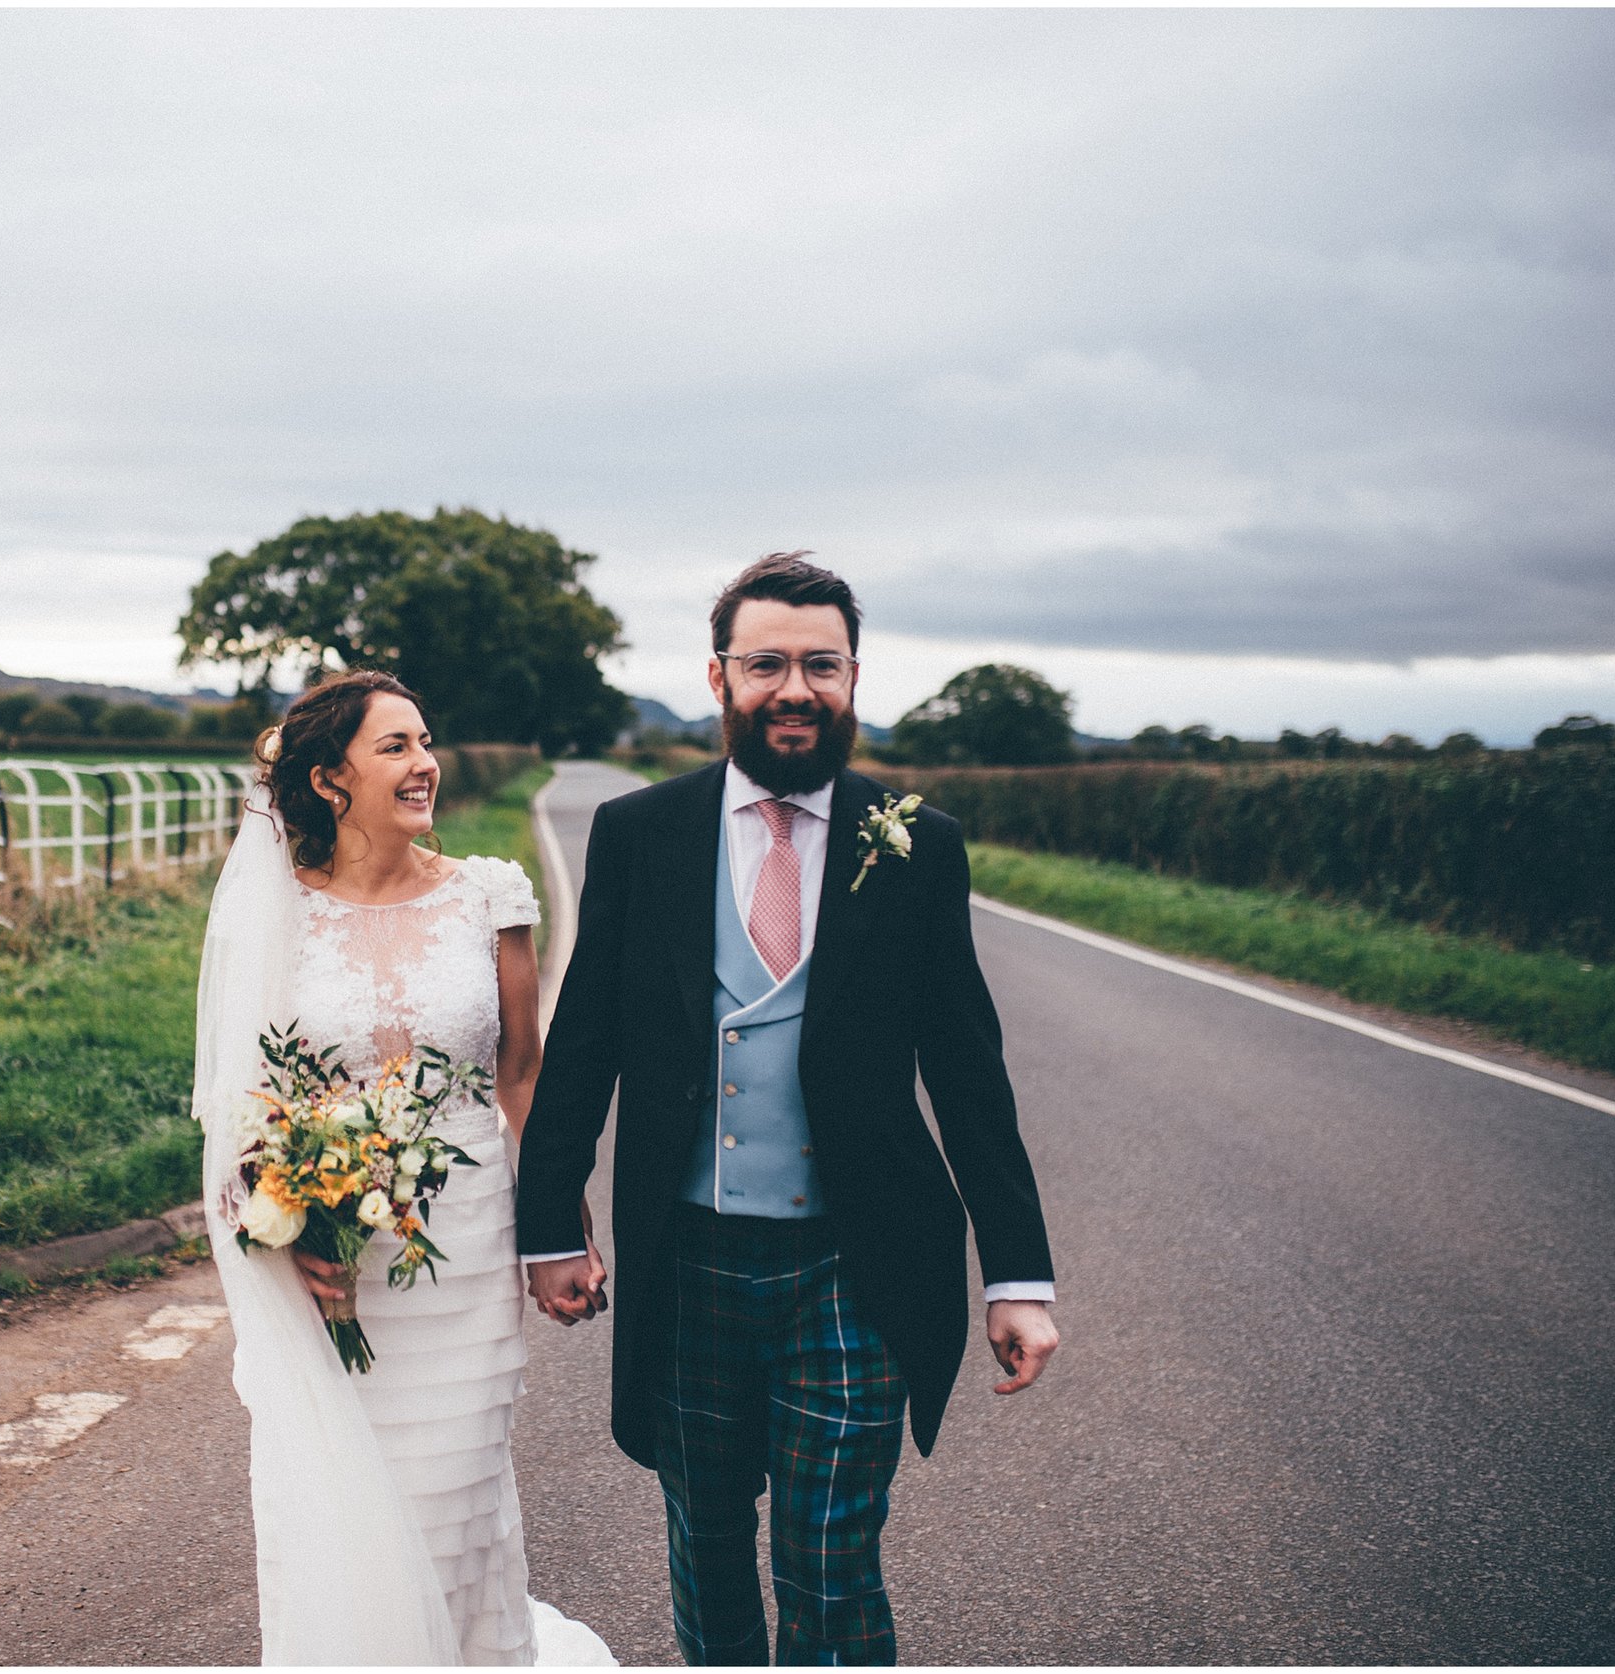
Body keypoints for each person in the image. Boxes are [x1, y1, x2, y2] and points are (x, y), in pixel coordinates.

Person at [515, 553, 1060, 1666]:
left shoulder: (917, 843)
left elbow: (967, 1067)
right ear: (718, 679)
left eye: (820, 663)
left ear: (855, 678)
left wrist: (1018, 1275)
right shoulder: (640, 833)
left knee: (830, 1556)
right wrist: (551, 1230)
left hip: (853, 1266)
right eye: (767, 663)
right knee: (707, 1550)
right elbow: (584, 1048)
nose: (794, 687)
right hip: (691, 1262)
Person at [193, 669, 614, 1667]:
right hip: (335, 1268)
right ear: (329, 781)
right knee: (343, 1494)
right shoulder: (276, 917)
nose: (424, 763)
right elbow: (245, 1104)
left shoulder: (489, 897)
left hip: (463, 1249)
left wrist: (564, 1228)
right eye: (394, 747)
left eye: (425, 741)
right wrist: (281, 1218)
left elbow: (521, 1074)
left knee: (455, 1488)